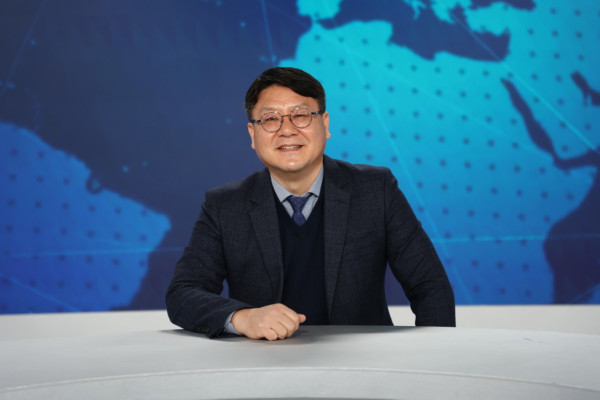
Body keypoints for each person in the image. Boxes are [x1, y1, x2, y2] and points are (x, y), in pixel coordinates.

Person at [166, 67, 455, 340]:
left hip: (362, 365)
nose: (287, 130)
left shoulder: (375, 190)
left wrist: (431, 359)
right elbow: (183, 293)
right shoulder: (224, 206)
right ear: (253, 135)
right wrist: (242, 318)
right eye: (270, 119)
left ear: (325, 125)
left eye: (300, 115)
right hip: (262, 364)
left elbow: (430, 287)